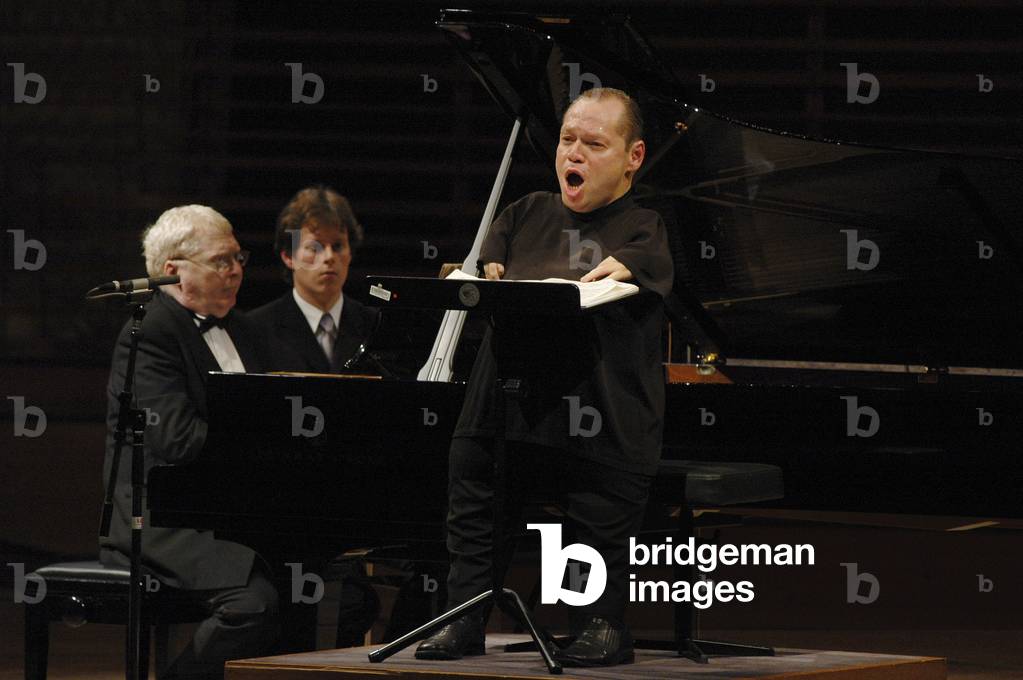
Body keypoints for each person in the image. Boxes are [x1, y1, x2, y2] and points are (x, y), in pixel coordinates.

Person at [415, 88, 674, 667]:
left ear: (633, 156)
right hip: (508, 407)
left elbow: (641, 272)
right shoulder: (525, 212)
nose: (572, 155)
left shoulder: (644, 226)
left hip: (598, 416)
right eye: (566, 140)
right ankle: (462, 620)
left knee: (595, 506)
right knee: (474, 475)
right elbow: (477, 270)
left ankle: (600, 625)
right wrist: (476, 272)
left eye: (593, 144)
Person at [99, 205, 278, 679]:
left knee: (332, 585)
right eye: (222, 261)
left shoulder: (245, 329)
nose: (237, 270)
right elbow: (177, 440)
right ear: (173, 270)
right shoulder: (150, 333)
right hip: (163, 519)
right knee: (252, 604)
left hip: (230, 512)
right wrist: (267, 453)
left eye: (239, 257)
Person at [247, 186, 379, 373]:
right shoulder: (256, 329)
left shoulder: (375, 326)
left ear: (350, 254)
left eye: (338, 245)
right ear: (288, 257)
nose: (328, 257)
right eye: (314, 247)